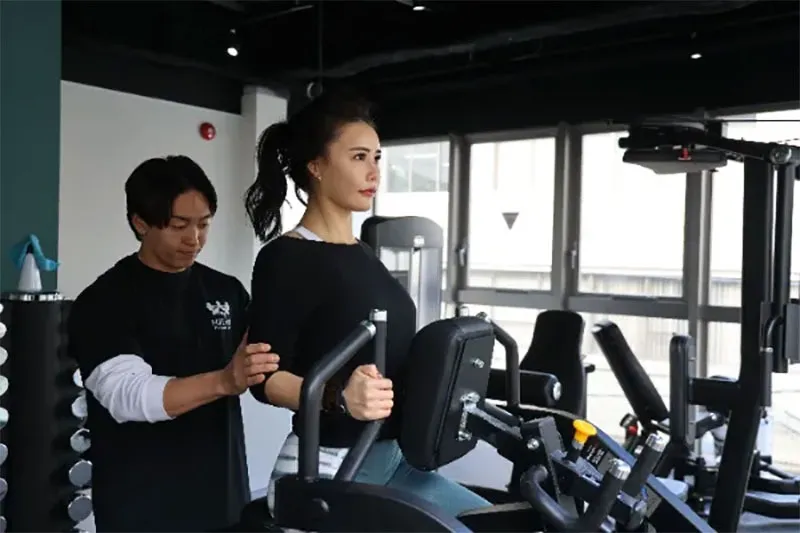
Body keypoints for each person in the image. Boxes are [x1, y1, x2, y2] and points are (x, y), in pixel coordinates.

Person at [244, 91, 492, 517]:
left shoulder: (364, 253)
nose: (374, 171)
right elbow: (264, 381)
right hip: (331, 467)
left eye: (377, 157)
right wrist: (338, 396)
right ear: (316, 166)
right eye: (359, 157)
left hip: (394, 459)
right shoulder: (286, 258)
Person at [68, 156, 280, 532]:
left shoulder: (226, 291)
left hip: (223, 501)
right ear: (141, 223)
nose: (193, 239)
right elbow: (128, 395)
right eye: (179, 226)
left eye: (204, 224)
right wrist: (224, 381)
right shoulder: (104, 301)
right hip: (141, 508)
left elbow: (268, 363)